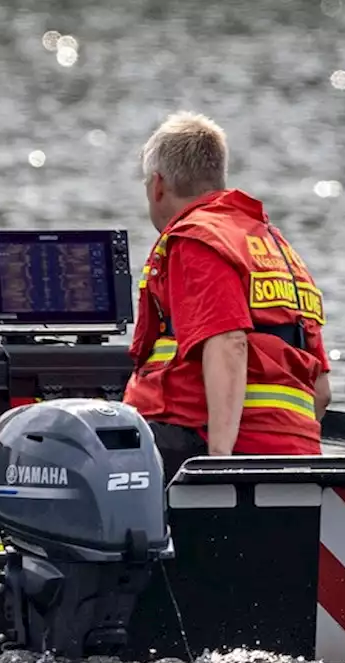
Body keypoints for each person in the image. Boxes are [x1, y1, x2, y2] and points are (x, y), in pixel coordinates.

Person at [124, 111, 333, 482]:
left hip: (197, 438)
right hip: (294, 445)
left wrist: (218, 464)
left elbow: (228, 342)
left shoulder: (197, 239)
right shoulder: (274, 247)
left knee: (73, 441)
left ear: (157, 186)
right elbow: (320, 392)